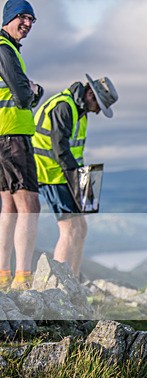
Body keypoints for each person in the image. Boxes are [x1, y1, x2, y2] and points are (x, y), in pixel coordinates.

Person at [33, 74, 118, 277]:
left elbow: (74, 151)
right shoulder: (64, 106)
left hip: (65, 174)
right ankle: (58, 282)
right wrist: (77, 183)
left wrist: (83, 183)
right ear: (90, 94)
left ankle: (73, 279)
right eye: (99, 105)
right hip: (50, 174)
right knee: (70, 228)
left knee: (81, 228)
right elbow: (60, 150)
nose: (98, 111)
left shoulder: (79, 112)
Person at [0, 0, 42, 291]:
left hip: (4, 137)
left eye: (31, 20)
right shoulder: (5, 49)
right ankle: (23, 279)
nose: (27, 24)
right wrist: (35, 90)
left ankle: (4, 276)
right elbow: (23, 96)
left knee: (10, 207)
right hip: (13, 136)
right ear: (9, 17)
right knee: (30, 206)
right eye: (22, 17)